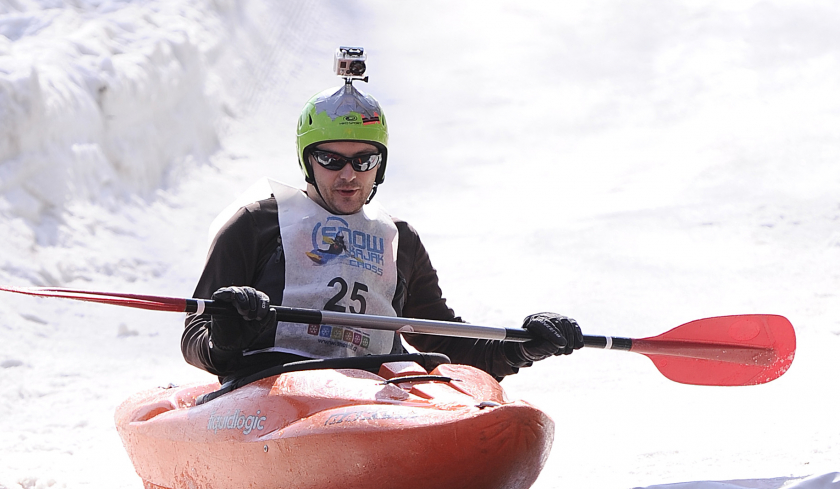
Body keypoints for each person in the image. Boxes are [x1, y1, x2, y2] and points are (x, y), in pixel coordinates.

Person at [182, 71, 583, 383]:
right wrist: (225, 335)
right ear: (307, 160)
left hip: (373, 388)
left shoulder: (397, 239)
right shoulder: (256, 224)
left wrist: (522, 346)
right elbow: (194, 337)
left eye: (364, 161)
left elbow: (441, 339)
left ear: (381, 165)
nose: (348, 175)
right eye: (331, 159)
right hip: (275, 385)